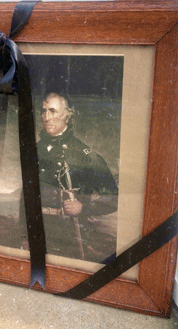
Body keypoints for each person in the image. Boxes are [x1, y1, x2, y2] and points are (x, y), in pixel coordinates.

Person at [32, 91, 118, 262]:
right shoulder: (35, 149)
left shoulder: (85, 156)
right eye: (43, 111)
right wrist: (23, 235)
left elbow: (113, 199)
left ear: (67, 116)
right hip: (38, 232)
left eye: (53, 111)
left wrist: (84, 208)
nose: (46, 117)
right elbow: (27, 194)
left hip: (71, 235)